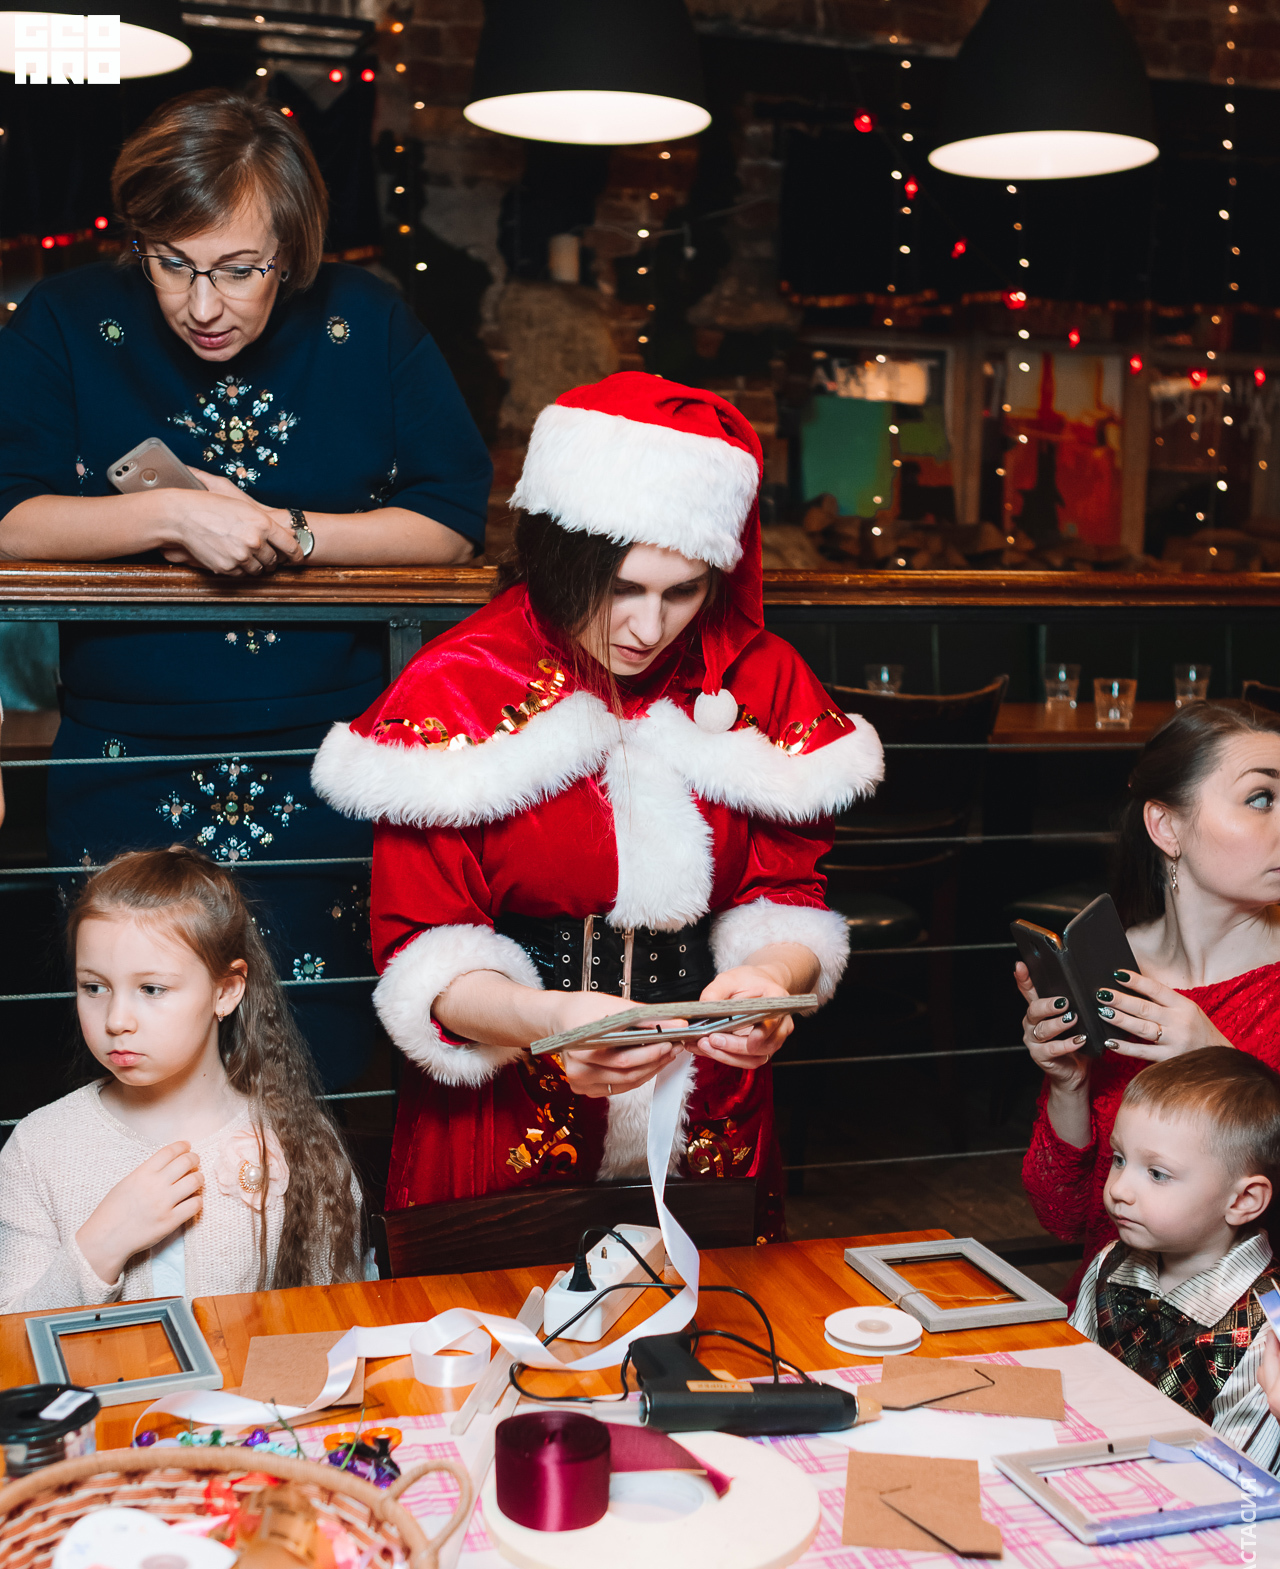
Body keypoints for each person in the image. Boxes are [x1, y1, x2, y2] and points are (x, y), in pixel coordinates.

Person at [0, 89, 492, 1092]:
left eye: (239, 269)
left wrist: (291, 533)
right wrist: (172, 517)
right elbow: (8, 516)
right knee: (136, 1064)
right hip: (121, 757)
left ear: (293, 251)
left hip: (323, 764)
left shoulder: (367, 318)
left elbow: (449, 519)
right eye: (170, 263)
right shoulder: (63, 317)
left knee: (313, 1067)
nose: (202, 304)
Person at [312, 372, 882, 1237]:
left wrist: (771, 983)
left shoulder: (762, 678)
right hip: (510, 1099)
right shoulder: (458, 687)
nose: (649, 628)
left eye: (683, 591)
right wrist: (547, 1022)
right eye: (620, 588)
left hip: (709, 1099)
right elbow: (423, 955)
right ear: (558, 556)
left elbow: (789, 897)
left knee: (726, 1312)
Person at [0, 846, 363, 1308]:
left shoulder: (300, 1142)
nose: (116, 1020)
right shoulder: (38, 1149)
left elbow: (336, 1322)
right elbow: (12, 1339)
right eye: (94, 987)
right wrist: (101, 1244)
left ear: (226, 991)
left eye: (152, 989)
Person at [1020, 700, 1280, 1280]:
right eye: (1262, 799)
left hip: (1252, 1329)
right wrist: (1068, 1085)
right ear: (1166, 827)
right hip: (1113, 1311)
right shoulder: (1111, 971)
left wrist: (1219, 1061)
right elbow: (1063, 1215)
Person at [1068, 1048, 1279, 1469]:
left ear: (1243, 1200)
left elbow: (1241, 1480)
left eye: (1157, 1174)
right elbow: (1068, 1381)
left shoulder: (1265, 1329)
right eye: (1119, 1159)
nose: (1119, 1189)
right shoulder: (1111, 1263)